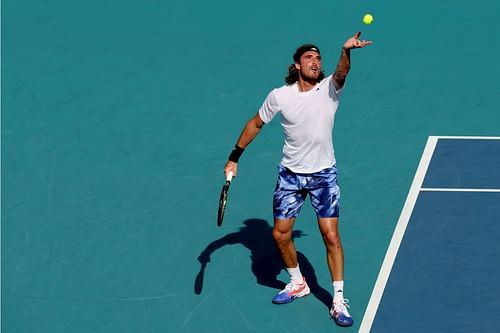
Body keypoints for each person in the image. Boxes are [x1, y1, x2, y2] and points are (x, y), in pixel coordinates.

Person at [223, 32, 372, 327]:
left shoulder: (330, 89)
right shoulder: (280, 96)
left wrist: (346, 51)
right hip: (290, 175)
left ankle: (338, 299)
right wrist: (234, 157)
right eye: (309, 58)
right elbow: (255, 123)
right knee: (279, 234)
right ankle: (297, 282)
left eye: (318, 58)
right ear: (296, 65)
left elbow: (342, 71)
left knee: (331, 236)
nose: (315, 63)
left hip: (323, 176)